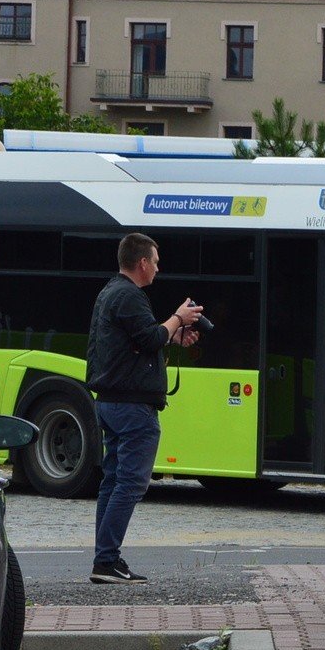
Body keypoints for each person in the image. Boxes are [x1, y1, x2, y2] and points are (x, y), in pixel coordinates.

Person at [86, 232, 203, 585]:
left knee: (112, 480)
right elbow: (150, 337)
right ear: (141, 263)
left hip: (110, 402)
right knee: (131, 483)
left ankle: (104, 560)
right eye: (155, 260)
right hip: (132, 408)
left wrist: (173, 336)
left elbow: (138, 344)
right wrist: (178, 319)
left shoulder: (110, 292)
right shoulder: (130, 296)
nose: (157, 267)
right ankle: (107, 560)